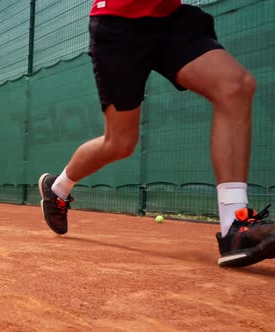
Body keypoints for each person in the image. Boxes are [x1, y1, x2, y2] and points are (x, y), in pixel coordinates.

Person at [38, 0, 275, 268]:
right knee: (120, 143)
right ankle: (58, 187)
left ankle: (235, 225)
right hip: (119, 25)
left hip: (169, 18)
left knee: (235, 86)